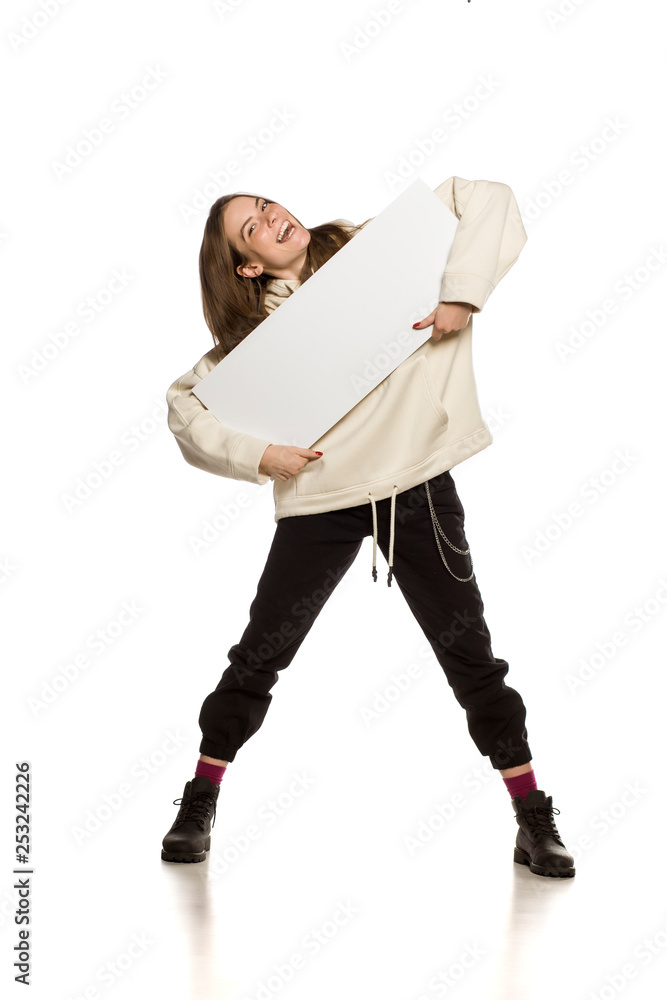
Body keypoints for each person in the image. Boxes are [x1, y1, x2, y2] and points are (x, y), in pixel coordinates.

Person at [160, 177, 575, 878]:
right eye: (251, 228)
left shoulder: (377, 253)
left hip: (413, 487)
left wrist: (461, 293)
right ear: (247, 267)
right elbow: (184, 409)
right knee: (260, 655)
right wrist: (261, 454)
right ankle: (199, 800)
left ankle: (531, 817)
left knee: (470, 657)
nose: (271, 217)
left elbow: (485, 196)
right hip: (320, 498)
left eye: (266, 205)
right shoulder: (251, 346)